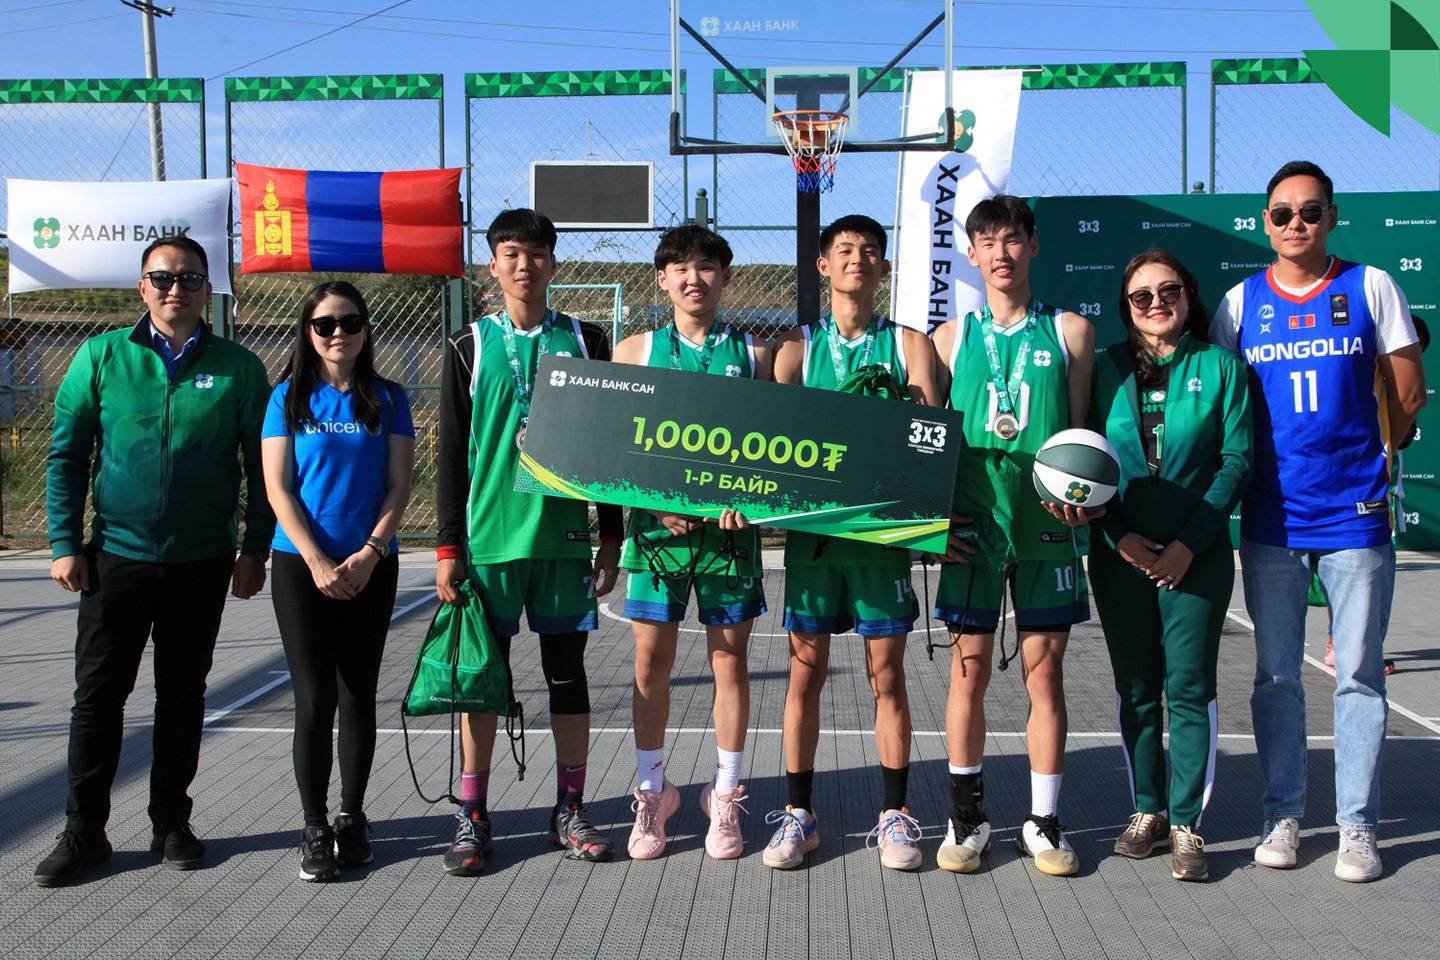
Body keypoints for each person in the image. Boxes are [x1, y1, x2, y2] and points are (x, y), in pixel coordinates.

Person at [1211, 160, 1426, 883]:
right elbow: (1223, 403)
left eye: (1309, 211)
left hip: (1355, 517)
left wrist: (1374, 458)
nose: (1296, 223)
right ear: (1265, 223)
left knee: (1358, 675)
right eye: (1282, 213)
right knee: (1276, 675)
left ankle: (1358, 827)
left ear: (1332, 217)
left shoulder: (1370, 286)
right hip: (1271, 518)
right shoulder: (1240, 303)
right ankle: (1283, 814)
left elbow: (1408, 391)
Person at [37, 235, 273, 887]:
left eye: (190, 278)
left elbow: (262, 467)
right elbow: (66, 456)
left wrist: (254, 549)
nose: (176, 289)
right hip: (115, 558)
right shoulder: (101, 356)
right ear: (142, 287)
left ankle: (171, 821)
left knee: (182, 696)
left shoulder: (239, 367)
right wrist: (64, 543)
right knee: (98, 697)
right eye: (163, 278)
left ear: (208, 288)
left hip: (202, 561)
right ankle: (84, 830)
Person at [434, 209, 623, 875]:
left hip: (564, 540)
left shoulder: (586, 339)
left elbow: (606, 443)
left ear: (553, 262)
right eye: (512, 253)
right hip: (489, 540)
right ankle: (472, 813)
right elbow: (451, 453)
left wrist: (611, 535)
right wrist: (448, 548)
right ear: (492, 264)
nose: (525, 264)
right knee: (485, 682)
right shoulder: (469, 344)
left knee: (567, 676)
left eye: (537, 253)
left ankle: (569, 808)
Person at [767, 214, 939, 872]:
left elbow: (928, 442)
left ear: (884, 267)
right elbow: (768, 447)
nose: (858, 260)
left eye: (870, 251)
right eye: (845, 250)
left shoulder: (910, 345)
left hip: (880, 540)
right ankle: (799, 814)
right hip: (815, 541)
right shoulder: (794, 348)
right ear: (823, 265)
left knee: (886, 677)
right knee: (803, 675)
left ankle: (894, 815)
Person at [930, 195, 1095, 877]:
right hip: (973, 529)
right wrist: (932, 526)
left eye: (1013, 239)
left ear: (1033, 246)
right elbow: (928, 446)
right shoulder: (947, 338)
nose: (1001, 253)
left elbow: (1083, 439)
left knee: (1045, 676)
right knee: (967, 675)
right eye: (988, 242)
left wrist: (1084, 500)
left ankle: (1044, 822)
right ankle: (966, 819)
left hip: (1045, 528)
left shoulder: (1070, 331)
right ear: (971, 254)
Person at [1086, 251, 1252, 882]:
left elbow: (1236, 461)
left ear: (1189, 295)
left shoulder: (1221, 365)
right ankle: (1147, 810)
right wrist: (1118, 535)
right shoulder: (1104, 368)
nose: (1157, 303)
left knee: (1187, 686)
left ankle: (1186, 822)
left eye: (1169, 291)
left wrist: (1189, 544)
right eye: (1142, 296)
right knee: (1135, 686)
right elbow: (1082, 458)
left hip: (1197, 557)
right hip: (1120, 555)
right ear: (1126, 307)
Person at [612, 225, 774, 860]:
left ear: (726, 277)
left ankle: (725, 793)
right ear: (662, 279)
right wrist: (649, 499)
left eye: (707, 266)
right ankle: (653, 792)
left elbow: (777, 446)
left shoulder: (755, 355)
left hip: (729, 537)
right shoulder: (634, 351)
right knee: (650, 663)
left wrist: (752, 498)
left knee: (728, 662)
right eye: (680, 267)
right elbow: (611, 446)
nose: (693, 278)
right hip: (658, 534)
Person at [261, 281, 415, 881]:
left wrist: (370, 553)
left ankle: (352, 817)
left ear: (365, 329)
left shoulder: (389, 397)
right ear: (308, 331)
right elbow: (279, 489)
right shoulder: (286, 397)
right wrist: (318, 562)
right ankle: (314, 825)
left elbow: (399, 486)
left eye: (350, 322)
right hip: (301, 567)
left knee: (357, 694)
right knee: (314, 698)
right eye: (325, 324)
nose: (338, 334)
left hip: (370, 564)